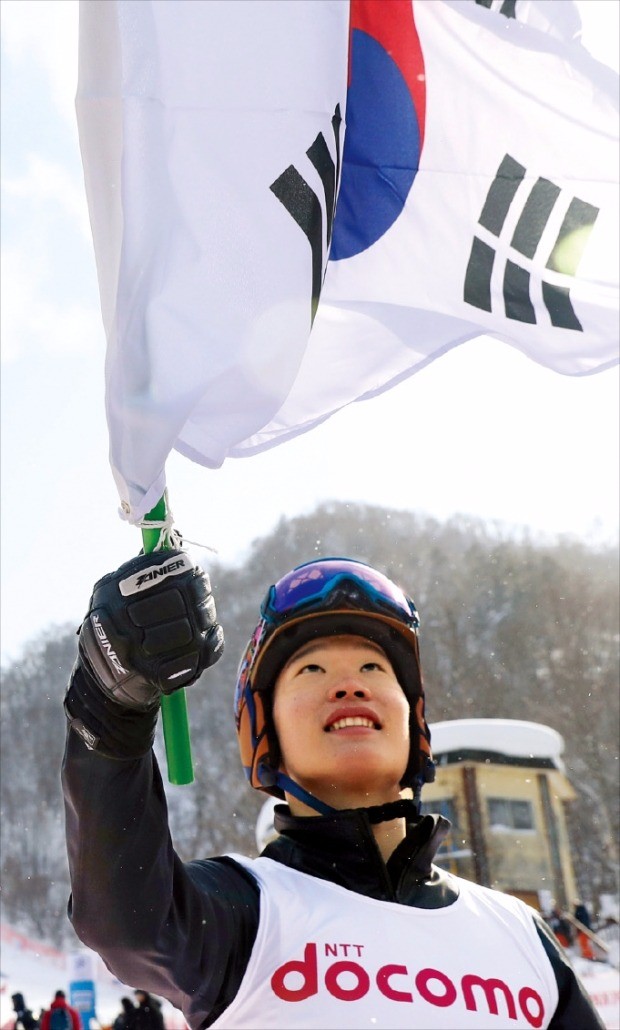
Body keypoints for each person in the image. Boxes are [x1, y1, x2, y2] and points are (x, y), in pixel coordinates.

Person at [62, 551, 605, 1029]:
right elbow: (126, 922)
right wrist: (113, 704)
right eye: (313, 670)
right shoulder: (243, 912)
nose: (349, 684)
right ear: (264, 731)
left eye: (373, 666)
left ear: (414, 723)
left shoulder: (521, 937)